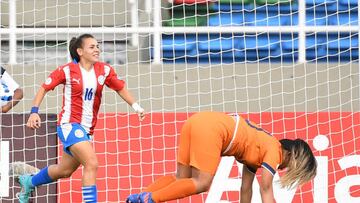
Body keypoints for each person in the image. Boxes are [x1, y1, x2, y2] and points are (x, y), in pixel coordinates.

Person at [17, 34, 145, 203]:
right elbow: (44, 88)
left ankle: (29, 181)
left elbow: (120, 88)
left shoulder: (104, 70)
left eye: (97, 46)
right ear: (80, 51)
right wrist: (34, 111)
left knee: (64, 171)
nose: (97, 49)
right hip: (69, 125)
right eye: (92, 47)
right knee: (91, 163)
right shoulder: (67, 70)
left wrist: (136, 106)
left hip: (87, 130)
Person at [126, 112, 317, 203]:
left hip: (196, 121)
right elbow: (266, 190)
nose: (289, 170)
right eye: (296, 166)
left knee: (181, 179)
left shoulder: (260, 150)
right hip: (214, 130)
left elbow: (246, 190)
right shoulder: (275, 150)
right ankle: (150, 199)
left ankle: (137, 198)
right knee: (202, 183)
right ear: (293, 154)